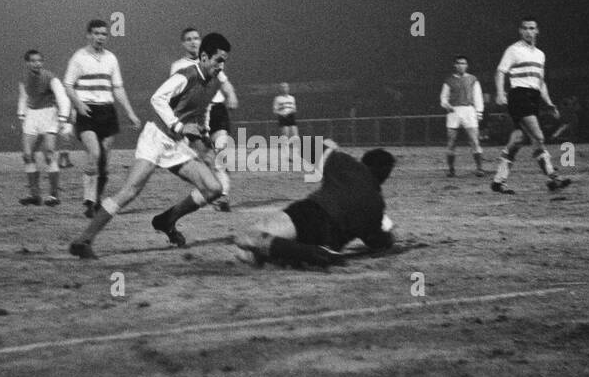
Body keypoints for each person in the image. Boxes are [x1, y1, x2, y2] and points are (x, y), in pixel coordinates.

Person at [70, 33, 231, 259]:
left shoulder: (214, 82)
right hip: (156, 137)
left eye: (224, 61)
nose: (221, 65)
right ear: (204, 57)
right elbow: (157, 98)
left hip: (176, 143)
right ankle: (83, 240)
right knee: (130, 191)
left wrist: (202, 130)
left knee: (214, 188)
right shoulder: (186, 75)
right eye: (218, 60)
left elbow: (202, 110)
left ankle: (167, 220)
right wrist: (179, 126)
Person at [233, 141, 396, 269]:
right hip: (331, 241)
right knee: (255, 255)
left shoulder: (347, 164)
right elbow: (378, 242)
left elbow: (306, 145)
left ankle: (310, 253)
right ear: (385, 177)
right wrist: (389, 235)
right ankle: (313, 253)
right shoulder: (377, 206)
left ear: (364, 161)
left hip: (312, 215)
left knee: (246, 238)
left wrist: (330, 151)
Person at [64, 19, 141, 218]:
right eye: (96, 33)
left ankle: (96, 200)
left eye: (103, 34)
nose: (100, 37)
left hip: (107, 112)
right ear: (88, 35)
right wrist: (79, 104)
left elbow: (118, 88)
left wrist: (130, 112)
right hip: (87, 112)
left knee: (104, 164)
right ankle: (88, 201)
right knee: (95, 154)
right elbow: (68, 85)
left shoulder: (111, 59)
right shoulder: (78, 58)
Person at [491, 17, 572, 194]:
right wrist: (499, 92)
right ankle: (553, 177)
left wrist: (549, 102)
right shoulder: (514, 50)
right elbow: (500, 71)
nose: (529, 31)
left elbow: (541, 82)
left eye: (532, 28)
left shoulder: (540, 55)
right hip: (519, 96)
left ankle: (498, 181)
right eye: (525, 28)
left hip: (533, 97)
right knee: (538, 137)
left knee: (518, 140)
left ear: (537, 31)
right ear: (521, 31)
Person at [171, 26, 238, 210]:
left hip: (217, 110)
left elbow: (225, 83)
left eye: (196, 38)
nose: (193, 41)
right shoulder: (178, 66)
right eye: (189, 39)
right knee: (208, 158)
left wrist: (231, 95)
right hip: (196, 115)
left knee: (222, 150)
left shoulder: (212, 59)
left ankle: (223, 195)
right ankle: (215, 192)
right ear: (183, 44)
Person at [16, 49, 71, 206]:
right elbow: (24, 97)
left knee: (49, 154)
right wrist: (21, 115)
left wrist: (62, 118)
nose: (37, 63)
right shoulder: (23, 79)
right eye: (33, 61)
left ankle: (54, 195)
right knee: (27, 155)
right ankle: (34, 195)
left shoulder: (50, 77)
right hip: (32, 116)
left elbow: (62, 98)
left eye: (39, 60)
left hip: (49, 115)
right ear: (27, 63)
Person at [440, 55, 486, 177]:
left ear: (467, 65)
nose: (461, 65)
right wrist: (447, 105)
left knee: (475, 141)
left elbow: (478, 96)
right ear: (455, 65)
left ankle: (480, 168)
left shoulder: (473, 79)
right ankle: (451, 169)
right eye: (459, 63)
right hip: (454, 112)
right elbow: (443, 98)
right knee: (451, 142)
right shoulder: (448, 80)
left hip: (469, 111)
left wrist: (479, 112)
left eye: (464, 63)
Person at [273, 82, 298, 168]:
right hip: (283, 117)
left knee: (295, 137)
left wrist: (290, 112)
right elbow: (275, 110)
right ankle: (287, 156)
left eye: (286, 87)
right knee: (285, 138)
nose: (284, 89)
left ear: (288, 88)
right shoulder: (277, 99)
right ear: (280, 89)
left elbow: (294, 108)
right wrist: (282, 114)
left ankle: (294, 155)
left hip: (291, 116)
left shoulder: (292, 98)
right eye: (283, 87)